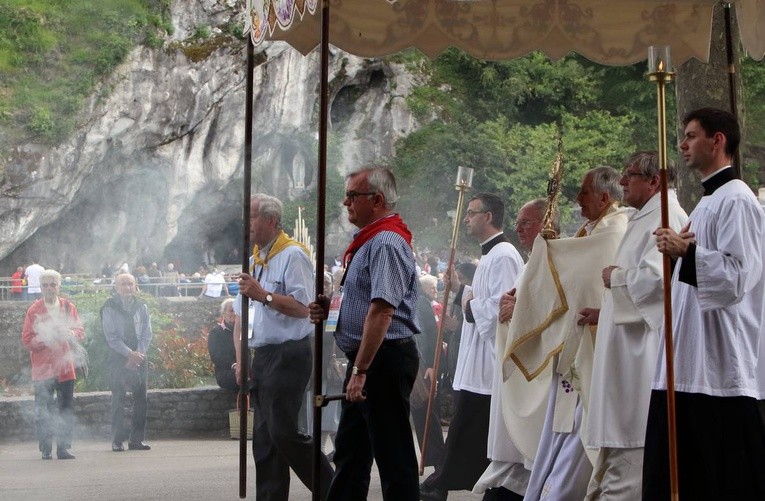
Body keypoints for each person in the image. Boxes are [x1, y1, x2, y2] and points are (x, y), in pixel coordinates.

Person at [646, 108, 765, 499]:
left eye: (691, 135)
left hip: (717, 369)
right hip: (688, 359)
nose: (682, 144)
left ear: (718, 141)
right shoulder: (707, 203)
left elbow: (737, 277)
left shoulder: (738, 201)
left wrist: (686, 253)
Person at [504, 167, 628, 501]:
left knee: (578, 433)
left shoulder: (615, 229)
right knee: (560, 430)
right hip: (575, 347)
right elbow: (570, 277)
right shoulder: (591, 229)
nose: (577, 198)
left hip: (593, 347)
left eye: (584, 192)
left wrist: (549, 248)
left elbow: (576, 273)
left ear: (604, 196)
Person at [309, 166, 421, 500]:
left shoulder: (385, 242)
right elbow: (364, 301)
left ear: (377, 199)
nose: (345, 202)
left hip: (380, 360)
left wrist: (360, 370)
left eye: (352, 196)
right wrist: (331, 308)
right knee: (351, 452)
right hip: (370, 359)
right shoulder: (371, 240)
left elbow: (383, 310)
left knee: (393, 455)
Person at [580, 152, 688, 500]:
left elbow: (659, 282)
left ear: (654, 181)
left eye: (629, 176)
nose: (623, 182)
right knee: (617, 455)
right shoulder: (646, 216)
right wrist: (606, 311)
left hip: (640, 356)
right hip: (625, 347)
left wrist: (617, 277)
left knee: (631, 452)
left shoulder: (667, 216)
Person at [421, 193, 524, 501]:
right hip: (475, 359)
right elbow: (482, 298)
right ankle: (444, 481)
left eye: (471, 212)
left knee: (469, 429)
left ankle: (441, 482)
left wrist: (469, 304)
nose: (466, 218)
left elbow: (503, 305)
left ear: (488, 216)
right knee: (466, 428)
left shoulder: (504, 255)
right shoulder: (491, 255)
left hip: (487, 363)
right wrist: (461, 289)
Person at [233, 193, 333, 501]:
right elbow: (242, 316)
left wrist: (264, 294)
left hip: (289, 353)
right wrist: (242, 359)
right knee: (264, 439)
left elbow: (304, 307)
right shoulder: (254, 259)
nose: (245, 223)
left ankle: (334, 490)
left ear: (270, 220)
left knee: (283, 432)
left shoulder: (292, 255)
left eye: (250, 216)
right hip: (262, 355)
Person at [474, 198, 553, 500]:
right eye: (518, 221)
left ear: (546, 224)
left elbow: (552, 307)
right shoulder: (532, 258)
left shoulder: (550, 259)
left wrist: (514, 308)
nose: (518, 228)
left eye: (527, 222)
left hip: (534, 368)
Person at [21, 269, 84, 460]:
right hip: (43, 368)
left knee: (65, 407)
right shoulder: (33, 310)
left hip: (65, 367)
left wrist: (71, 334)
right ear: (41, 287)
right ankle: (46, 448)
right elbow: (27, 339)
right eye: (45, 285)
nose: (49, 288)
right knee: (44, 409)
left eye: (53, 284)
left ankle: (63, 448)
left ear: (59, 286)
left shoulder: (68, 307)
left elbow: (80, 331)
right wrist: (47, 339)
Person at [101, 272, 154, 452]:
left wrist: (138, 353)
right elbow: (111, 337)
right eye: (123, 284)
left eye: (130, 284)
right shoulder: (109, 307)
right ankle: (117, 440)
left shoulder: (142, 306)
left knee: (141, 400)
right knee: (119, 399)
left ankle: (136, 440)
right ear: (116, 287)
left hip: (140, 356)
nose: (127, 288)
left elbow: (147, 333)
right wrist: (129, 353)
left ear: (135, 286)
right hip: (118, 357)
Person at [411, 273, 446, 470]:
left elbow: (432, 334)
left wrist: (432, 365)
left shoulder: (420, 302)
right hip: (409, 361)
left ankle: (437, 460)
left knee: (425, 412)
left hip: (421, 364)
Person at [207, 298, 238, 392]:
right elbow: (216, 356)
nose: (234, 313)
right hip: (225, 372)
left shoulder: (244, 331)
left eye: (236, 310)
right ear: (223, 313)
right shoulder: (216, 333)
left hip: (243, 369)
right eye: (231, 310)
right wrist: (233, 365)